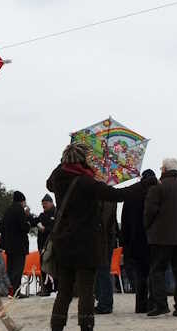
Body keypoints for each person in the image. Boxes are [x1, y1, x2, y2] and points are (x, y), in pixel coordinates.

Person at [45, 142, 137, 331]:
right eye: (88, 157)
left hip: (63, 242)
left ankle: (57, 327)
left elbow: (50, 180)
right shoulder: (86, 182)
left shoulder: (57, 178)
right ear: (82, 160)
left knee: (64, 291)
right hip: (85, 243)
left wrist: (64, 160)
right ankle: (86, 326)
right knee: (86, 290)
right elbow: (117, 194)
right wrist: (142, 185)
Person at [145, 157, 177, 318]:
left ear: (164, 170)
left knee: (157, 270)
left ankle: (161, 305)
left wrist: (148, 227)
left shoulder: (157, 188)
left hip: (161, 236)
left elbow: (150, 212)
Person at [118, 169, 156, 313]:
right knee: (154, 272)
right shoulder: (157, 193)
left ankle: (140, 305)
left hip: (135, 240)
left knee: (140, 274)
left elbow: (125, 220)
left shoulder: (132, 194)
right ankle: (153, 303)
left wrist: (125, 242)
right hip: (153, 239)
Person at [0, 192, 31, 298]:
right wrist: (27, 221)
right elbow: (24, 227)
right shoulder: (20, 210)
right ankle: (15, 292)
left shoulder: (8, 210)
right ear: (22, 200)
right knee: (17, 269)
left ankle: (8, 290)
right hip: (19, 245)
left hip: (8, 245)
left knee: (10, 269)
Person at [93, 200, 117, 314]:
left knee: (103, 271)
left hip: (102, 239)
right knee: (102, 271)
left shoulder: (104, 200)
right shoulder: (110, 199)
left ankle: (105, 303)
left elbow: (104, 221)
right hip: (107, 238)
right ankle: (103, 301)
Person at [33, 196, 56, 296]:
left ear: (51, 203)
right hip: (42, 246)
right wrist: (29, 216)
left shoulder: (56, 213)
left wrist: (45, 229)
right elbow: (34, 221)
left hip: (53, 246)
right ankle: (45, 288)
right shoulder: (42, 215)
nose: (43, 205)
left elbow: (54, 228)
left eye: (45, 203)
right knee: (43, 267)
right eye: (42, 204)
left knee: (52, 267)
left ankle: (54, 288)